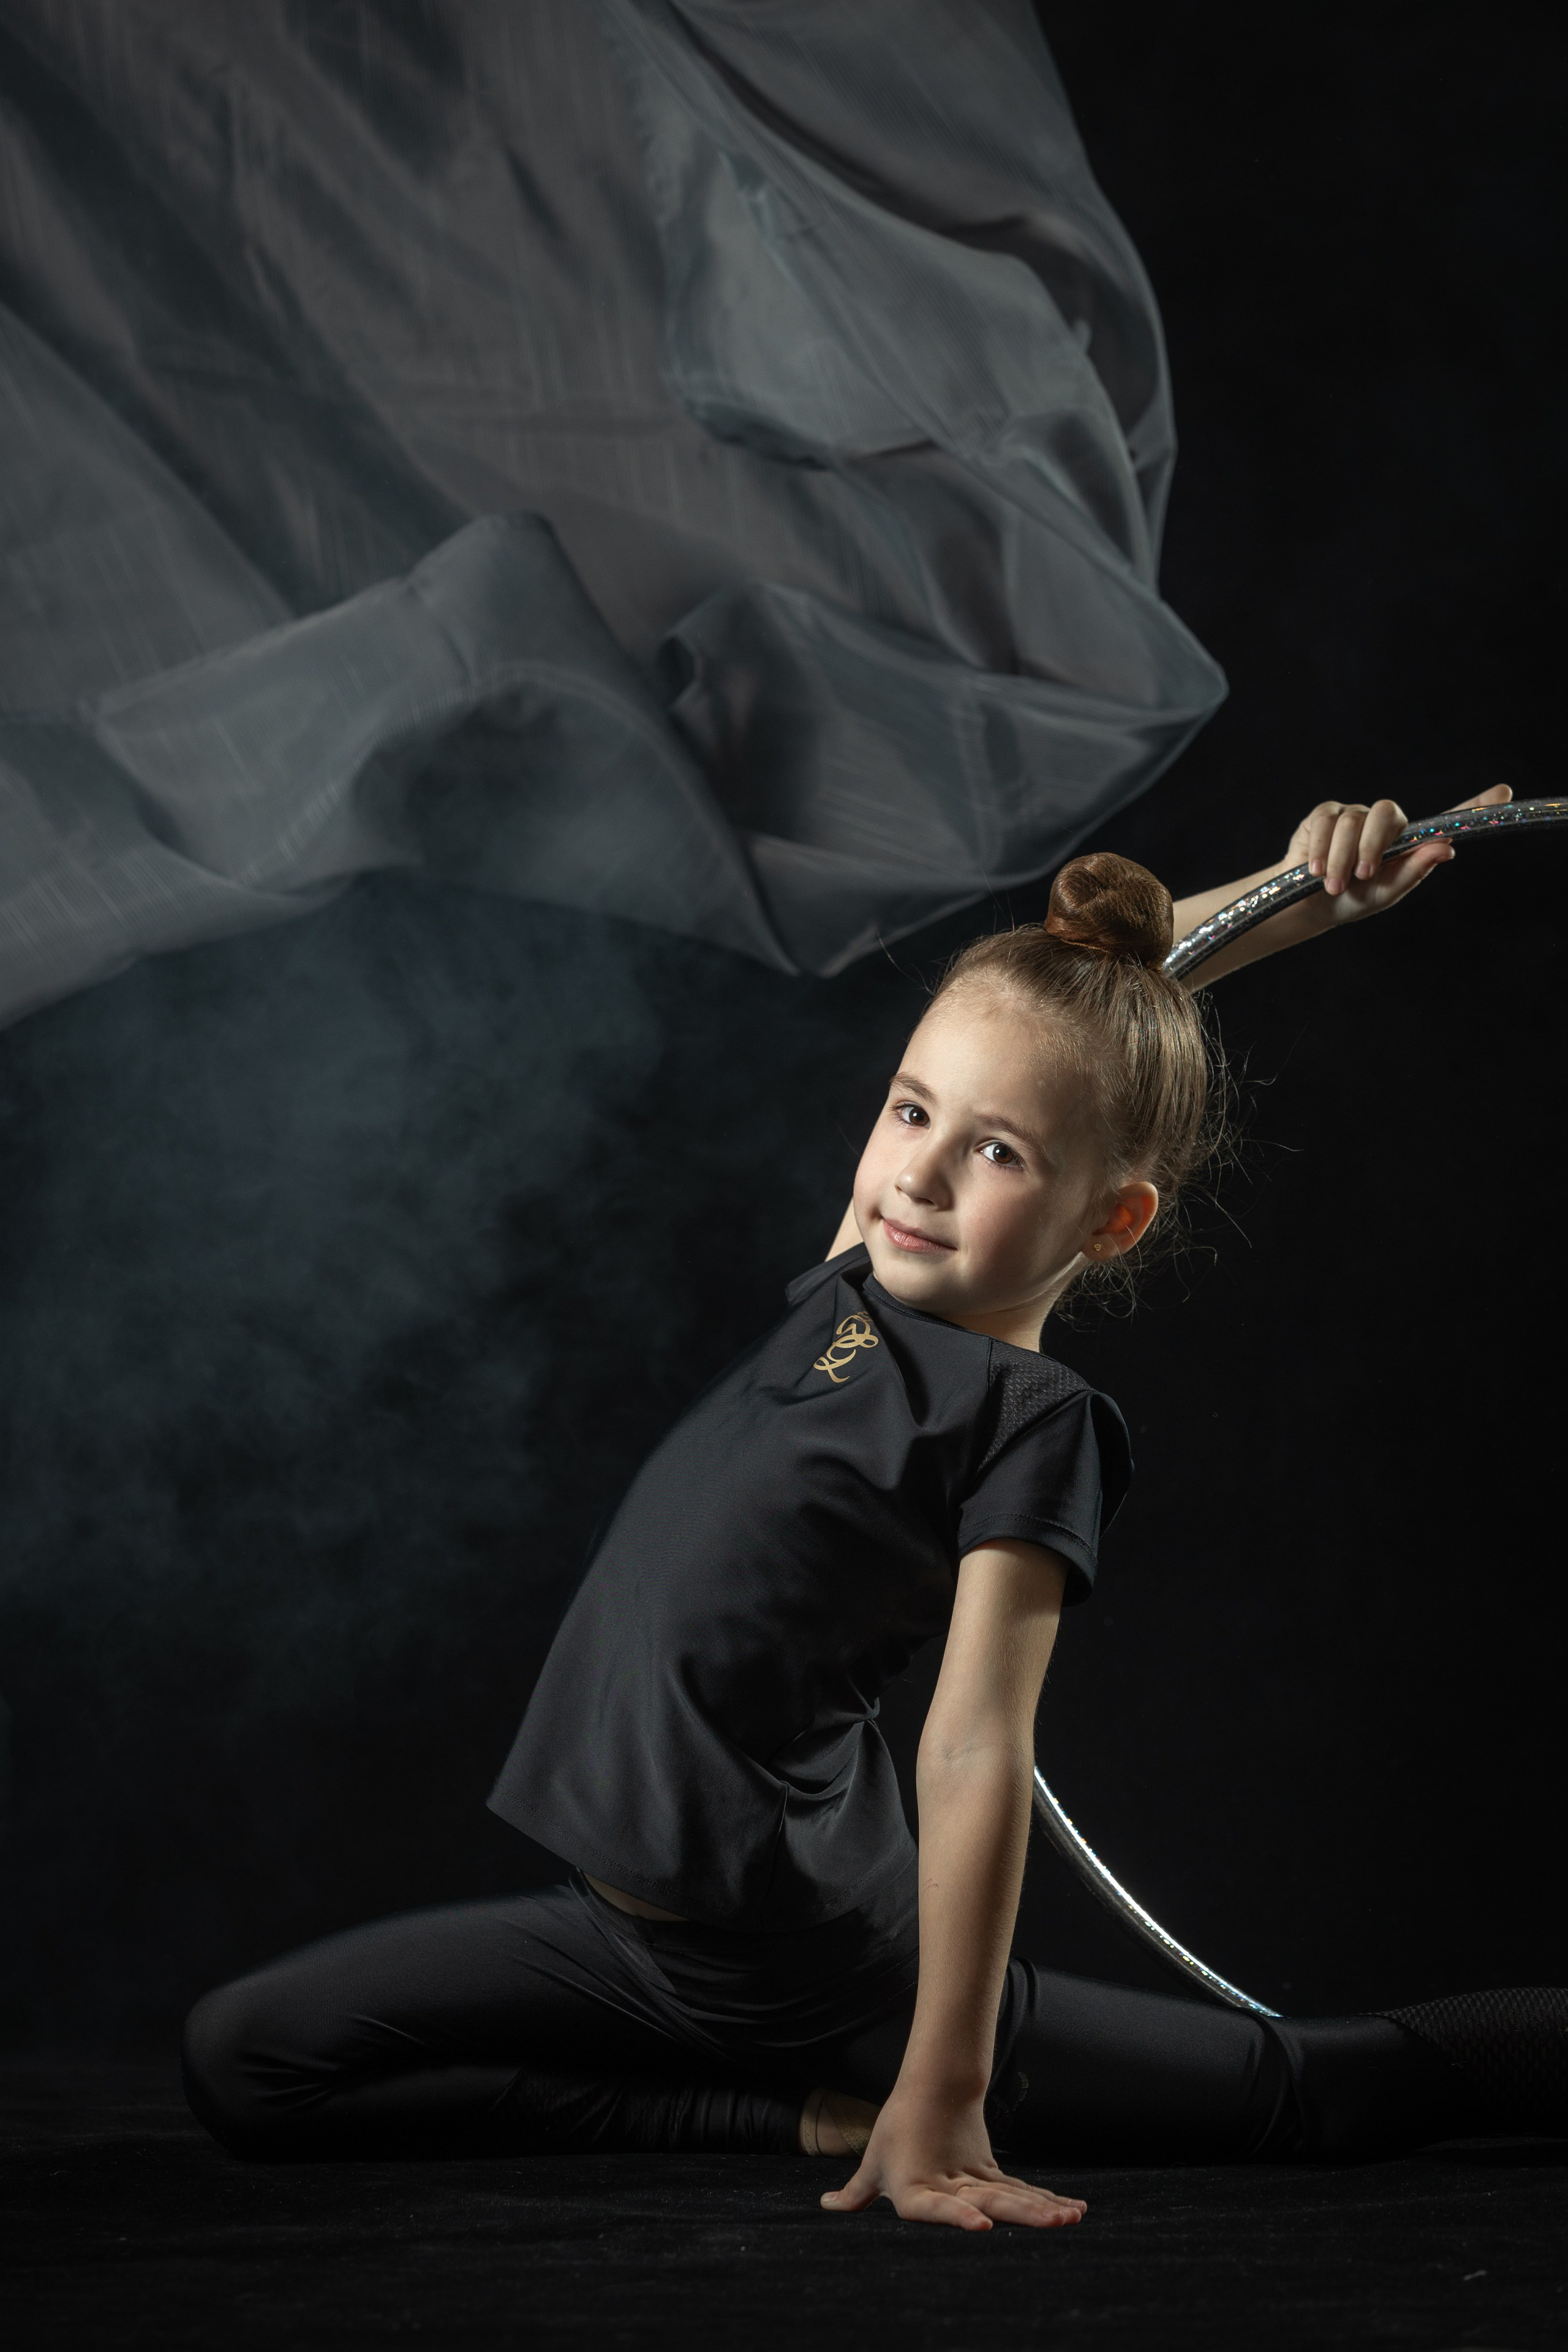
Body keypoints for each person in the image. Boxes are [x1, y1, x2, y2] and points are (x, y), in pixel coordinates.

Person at [184, 782, 1563, 2233]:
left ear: (1110, 1220)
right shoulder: (859, 1270)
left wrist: (941, 2082)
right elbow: (1072, 1021)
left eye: (995, 1154)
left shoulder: (1024, 1418)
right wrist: (1293, 894)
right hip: (622, 1945)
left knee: (1307, 2094)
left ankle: (880, 2084)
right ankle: (780, 2119)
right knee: (249, 2059)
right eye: (910, 1111)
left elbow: (972, 1746)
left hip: (819, 1976)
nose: (918, 1172)